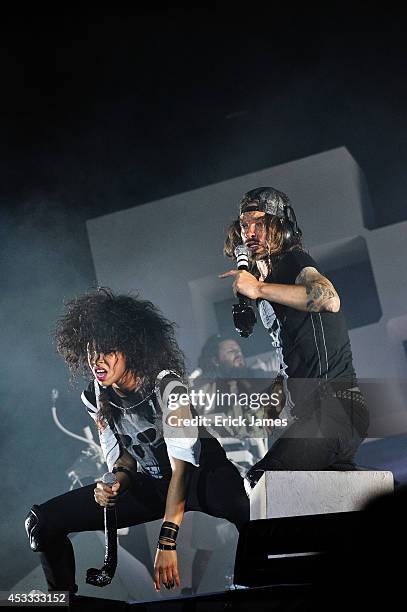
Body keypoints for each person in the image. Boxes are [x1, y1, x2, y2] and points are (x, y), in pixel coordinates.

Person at [25, 289, 249, 595]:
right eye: (92, 352)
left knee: (249, 510)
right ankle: (60, 601)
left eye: (107, 351)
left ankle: (263, 585)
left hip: (199, 477)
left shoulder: (167, 386)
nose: (97, 361)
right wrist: (115, 483)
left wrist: (167, 540)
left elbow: (181, 471)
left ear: (131, 348)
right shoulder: (94, 396)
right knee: (42, 522)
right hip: (151, 484)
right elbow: (124, 459)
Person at [220, 187, 369, 485]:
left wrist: (258, 289)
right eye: (244, 225)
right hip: (313, 415)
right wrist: (280, 386)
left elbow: (328, 298)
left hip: (336, 409)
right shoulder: (273, 283)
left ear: (280, 228)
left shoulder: (294, 261)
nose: (250, 232)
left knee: (263, 480)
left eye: (260, 224)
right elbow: (295, 342)